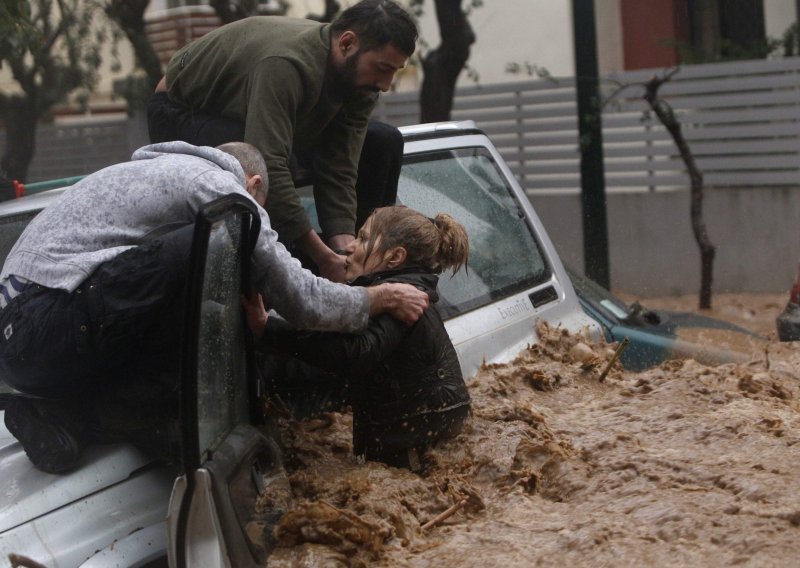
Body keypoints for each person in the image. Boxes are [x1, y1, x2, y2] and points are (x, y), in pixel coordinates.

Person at [0, 141, 428, 474]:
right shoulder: (221, 191)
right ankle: (165, 424)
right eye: (261, 210)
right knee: (213, 239)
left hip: (30, 344)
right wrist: (379, 296)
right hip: (44, 321)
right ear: (254, 184)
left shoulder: (147, 175)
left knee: (195, 270)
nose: (258, 221)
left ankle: (67, 412)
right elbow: (301, 299)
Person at [147, 0, 418, 283]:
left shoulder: (361, 82)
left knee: (382, 141)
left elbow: (339, 166)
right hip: (180, 111)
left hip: (253, 111)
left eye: (394, 72)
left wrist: (345, 250)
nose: (386, 84)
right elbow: (270, 161)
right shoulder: (285, 64)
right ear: (347, 43)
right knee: (264, 164)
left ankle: (359, 269)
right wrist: (320, 254)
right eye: (382, 68)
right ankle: (282, 276)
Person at [243, 205, 472, 471]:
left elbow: (354, 354)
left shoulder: (405, 300)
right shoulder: (400, 290)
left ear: (395, 257)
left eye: (363, 238)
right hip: (426, 427)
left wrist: (266, 329)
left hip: (412, 444)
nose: (350, 246)